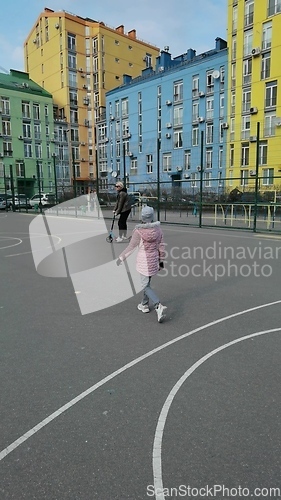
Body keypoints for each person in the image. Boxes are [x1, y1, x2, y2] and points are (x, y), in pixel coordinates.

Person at [116, 205, 167, 323]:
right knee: (147, 283)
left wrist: (121, 258)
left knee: (145, 285)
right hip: (153, 259)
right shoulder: (158, 230)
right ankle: (144, 304)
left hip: (144, 260)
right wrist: (161, 260)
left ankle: (158, 305)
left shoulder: (138, 231)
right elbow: (162, 246)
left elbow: (131, 247)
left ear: (142, 217)